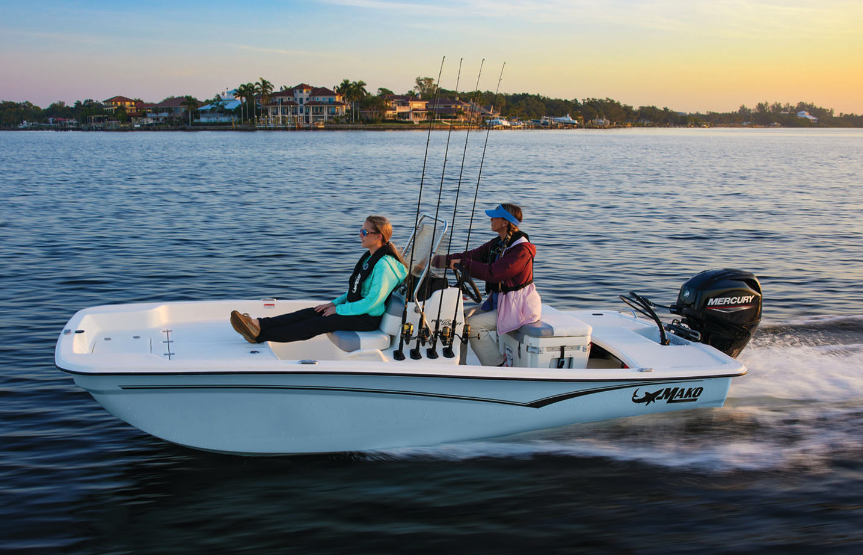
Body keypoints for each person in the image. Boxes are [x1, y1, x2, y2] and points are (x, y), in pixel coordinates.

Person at [230, 215, 408, 344]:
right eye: (360, 230)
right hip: (357, 311)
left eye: (364, 231)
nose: (360, 234)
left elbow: (372, 302)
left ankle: (259, 336)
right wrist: (333, 304)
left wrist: (340, 310)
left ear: (378, 236)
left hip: (366, 318)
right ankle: (258, 323)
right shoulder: (370, 257)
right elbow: (356, 290)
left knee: (315, 324)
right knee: (310, 312)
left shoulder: (384, 266)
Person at [437, 203, 541, 366]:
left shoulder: (522, 250)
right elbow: (472, 255)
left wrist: (464, 264)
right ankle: (459, 366)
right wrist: (437, 260)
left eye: (494, 216)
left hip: (518, 307)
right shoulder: (499, 244)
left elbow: (495, 273)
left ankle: (499, 367)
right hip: (499, 303)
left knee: (473, 325)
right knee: (459, 318)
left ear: (505, 222)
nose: (491, 219)